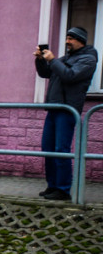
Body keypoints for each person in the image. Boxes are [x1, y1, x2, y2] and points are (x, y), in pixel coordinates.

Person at [35, 27, 99, 201]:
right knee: (48, 149)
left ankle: (63, 190)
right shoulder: (66, 58)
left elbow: (69, 76)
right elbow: (45, 73)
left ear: (80, 40)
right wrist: (41, 60)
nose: (67, 41)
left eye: (70, 38)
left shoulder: (88, 59)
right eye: (67, 38)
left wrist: (54, 60)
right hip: (55, 108)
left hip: (67, 109)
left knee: (61, 150)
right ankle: (52, 186)